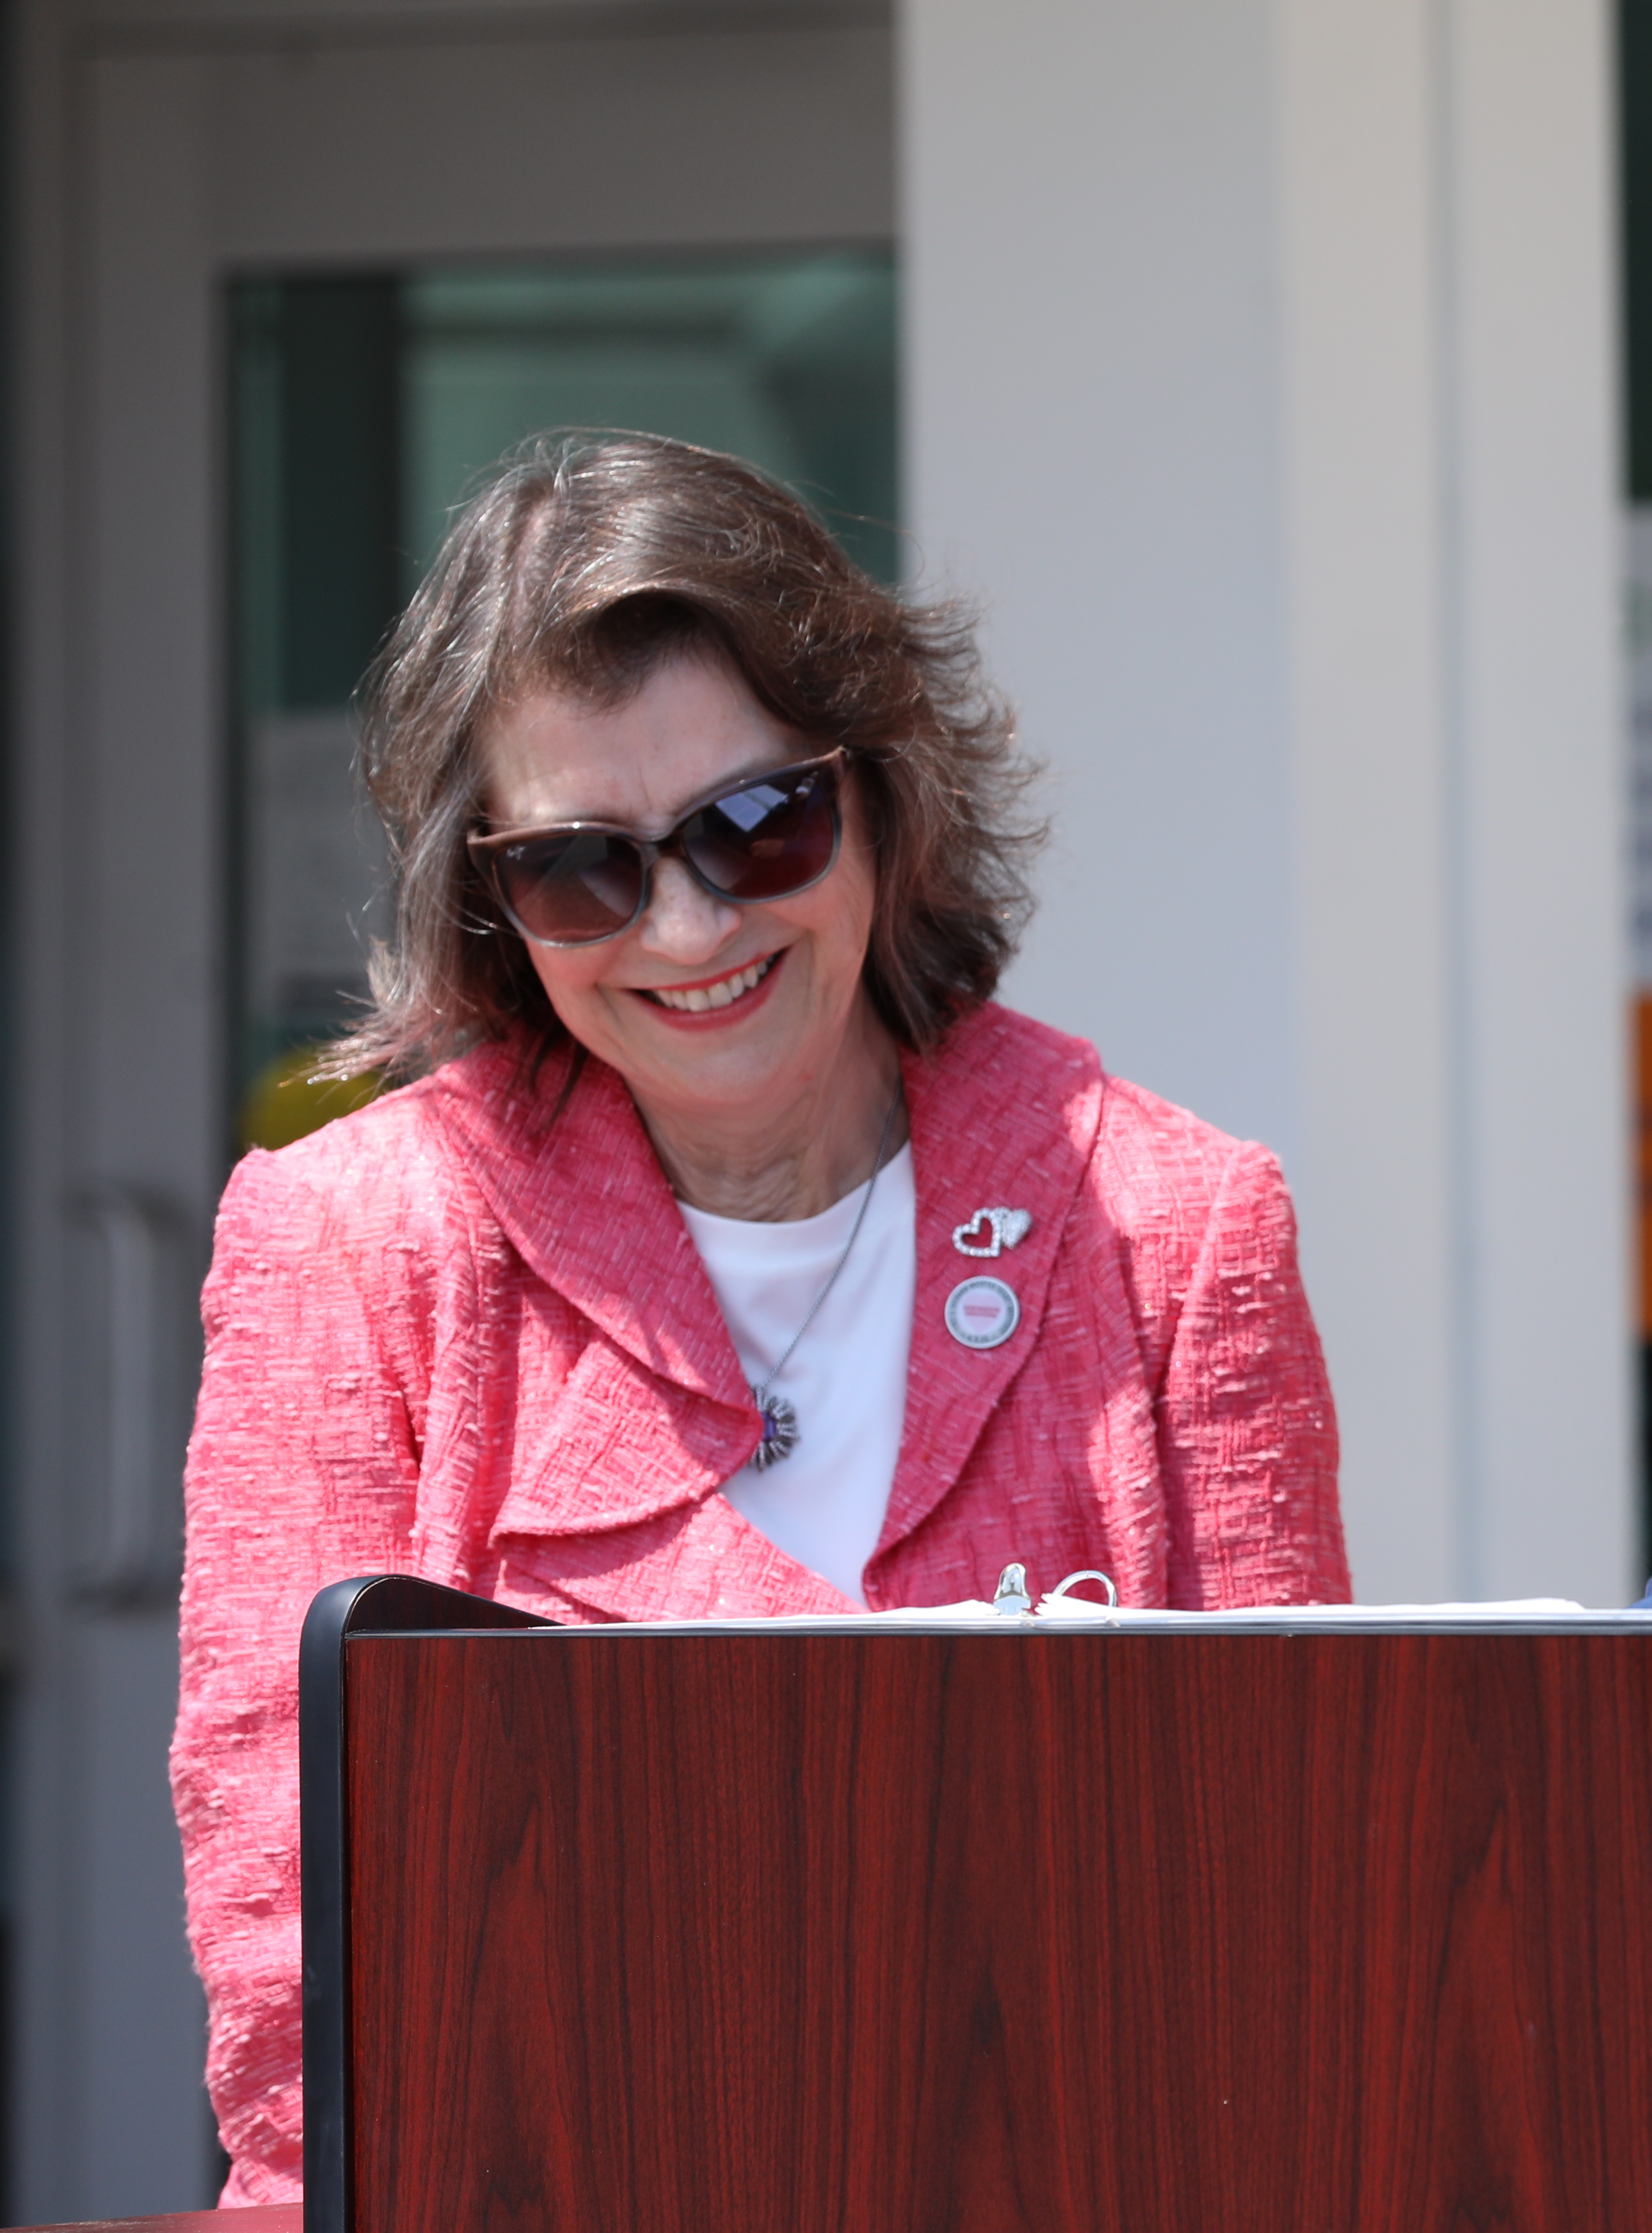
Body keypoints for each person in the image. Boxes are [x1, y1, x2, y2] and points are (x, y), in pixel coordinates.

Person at [170, 431, 1351, 2206]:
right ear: (488, 894)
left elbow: (1297, 1903)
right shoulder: (353, 1247)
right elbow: (293, 1977)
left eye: (754, 823)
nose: (688, 925)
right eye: (586, 867)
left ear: (879, 791)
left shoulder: (1178, 1231)